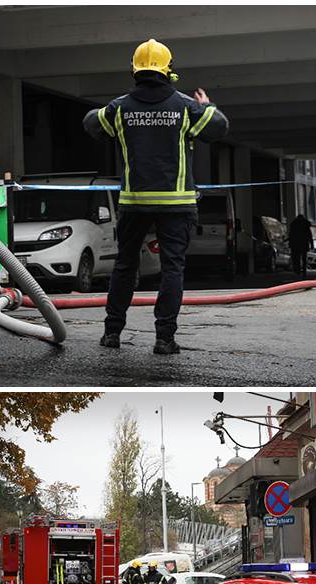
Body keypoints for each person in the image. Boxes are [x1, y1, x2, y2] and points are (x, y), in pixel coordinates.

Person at [83, 38, 228, 355]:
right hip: (176, 204)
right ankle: (164, 338)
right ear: (168, 69)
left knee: (125, 266)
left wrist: (108, 108)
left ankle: (112, 333)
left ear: (134, 69)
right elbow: (219, 127)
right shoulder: (185, 107)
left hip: (134, 203)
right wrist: (207, 105)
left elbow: (92, 123)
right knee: (172, 268)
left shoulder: (120, 107)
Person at [287, 214, 313, 278]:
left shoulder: (294, 224)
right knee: (304, 258)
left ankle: (297, 270)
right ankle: (304, 271)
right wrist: (312, 244)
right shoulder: (306, 225)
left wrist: (289, 243)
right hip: (304, 243)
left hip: (295, 244)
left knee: (296, 258)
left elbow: (291, 234)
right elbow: (309, 235)